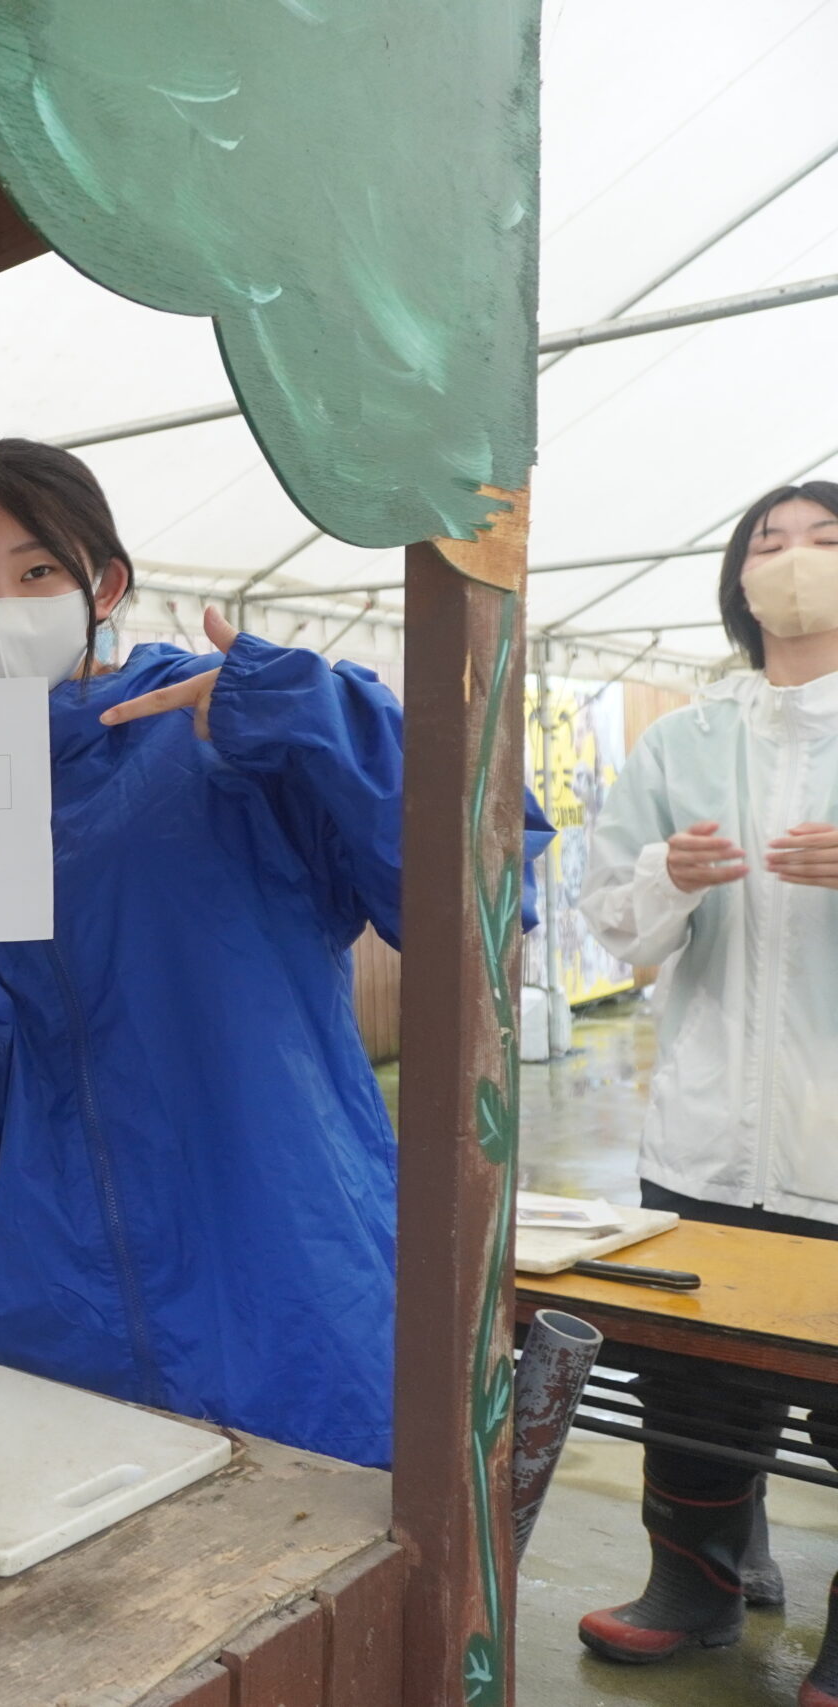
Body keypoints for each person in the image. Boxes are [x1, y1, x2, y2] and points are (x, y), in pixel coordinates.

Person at [0, 438, 550, 1469]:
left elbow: (479, 891)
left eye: (36, 572)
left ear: (104, 584)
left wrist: (315, 718)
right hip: (50, 1322)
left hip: (293, 1295)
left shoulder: (220, 727)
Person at [573, 480, 838, 1698]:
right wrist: (667, 878)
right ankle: (693, 1590)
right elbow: (614, 928)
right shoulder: (681, 740)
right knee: (693, 1380)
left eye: (824, 538)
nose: (793, 559)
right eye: (766, 543)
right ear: (737, 581)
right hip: (702, 1143)